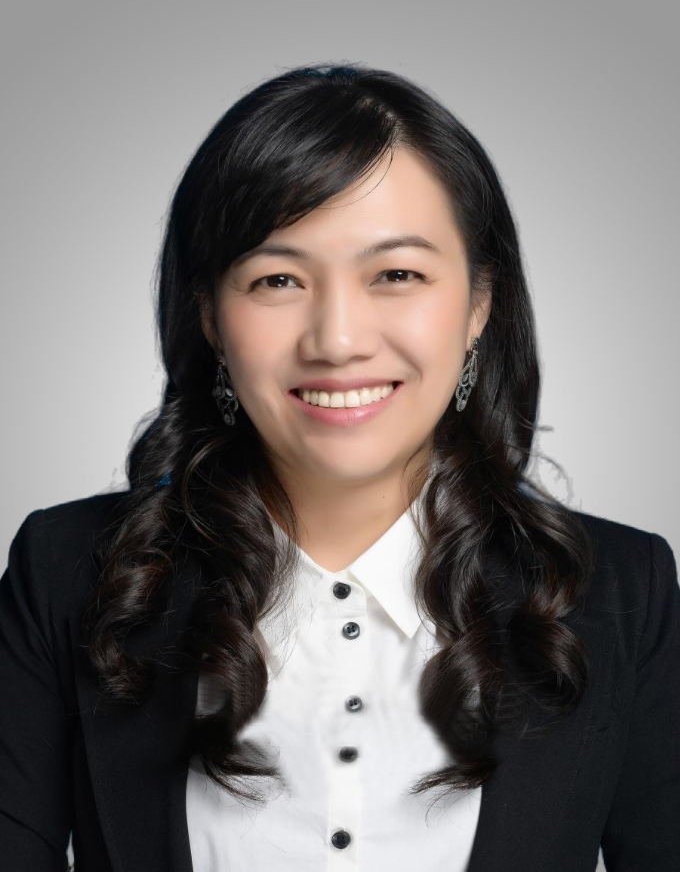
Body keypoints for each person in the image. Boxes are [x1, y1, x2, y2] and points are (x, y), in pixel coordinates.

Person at [1, 63, 678, 872]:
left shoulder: (622, 592)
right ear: (210, 315)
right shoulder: (66, 573)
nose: (337, 339)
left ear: (479, 304)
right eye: (277, 279)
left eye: (397, 275)